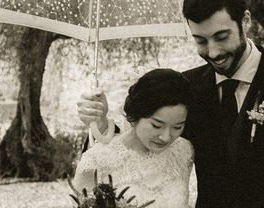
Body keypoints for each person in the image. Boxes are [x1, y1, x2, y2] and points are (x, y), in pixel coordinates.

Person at [78, 0, 264, 208]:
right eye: (200, 40)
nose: (212, 52)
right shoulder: (187, 87)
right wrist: (101, 124)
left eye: (221, 36)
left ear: (245, 21)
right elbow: (144, 143)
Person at [74, 68, 194, 208]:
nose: (166, 137)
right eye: (156, 125)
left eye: (177, 127)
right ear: (135, 116)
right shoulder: (96, 161)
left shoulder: (184, 151)